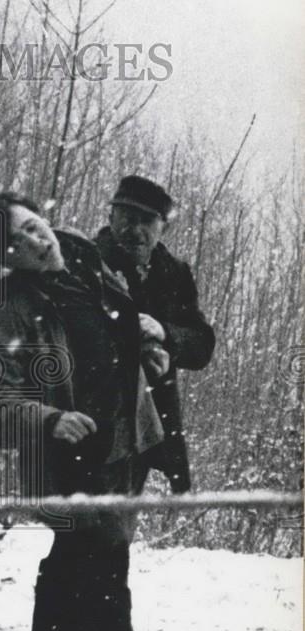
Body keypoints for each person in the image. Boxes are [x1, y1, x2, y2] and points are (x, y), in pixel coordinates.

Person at [0, 192, 175, 631]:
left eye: (34, 227)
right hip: (71, 457)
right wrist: (46, 418)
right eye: (18, 242)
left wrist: (149, 352)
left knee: (81, 557)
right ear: (6, 257)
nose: (36, 242)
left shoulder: (89, 266)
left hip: (125, 441)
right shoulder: (12, 309)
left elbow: (113, 339)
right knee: (105, 564)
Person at [94, 175, 216, 494]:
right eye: (127, 218)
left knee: (116, 524)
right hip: (97, 411)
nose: (135, 230)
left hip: (149, 420)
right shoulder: (89, 263)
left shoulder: (173, 273)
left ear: (164, 227)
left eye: (147, 221)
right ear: (111, 218)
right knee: (95, 525)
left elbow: (201, 346)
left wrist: (163, 331)